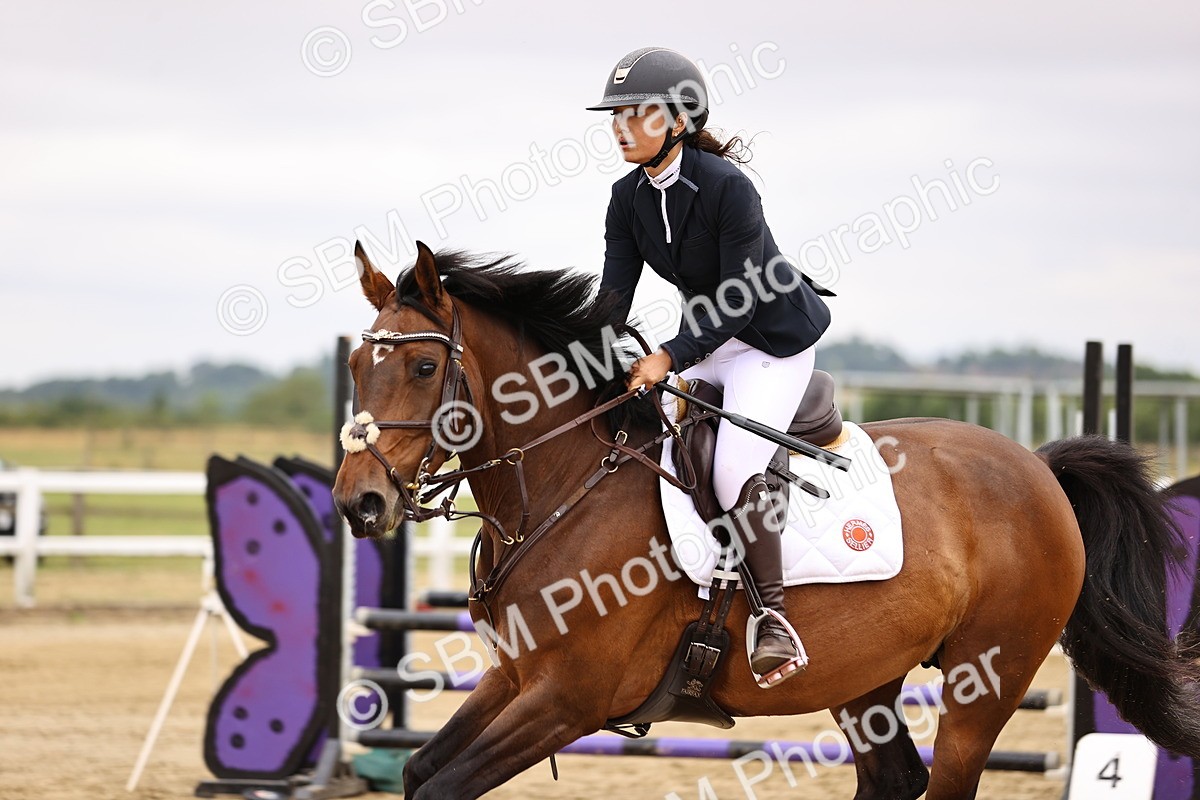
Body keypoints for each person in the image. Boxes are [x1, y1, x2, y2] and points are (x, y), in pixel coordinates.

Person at [587, 47, 833, 684]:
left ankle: (771, 618)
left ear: (676, 119)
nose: (619, 127)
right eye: (615, 115)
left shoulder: (728, 188)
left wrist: (668, 356)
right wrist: (593, 355)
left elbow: (739, 296)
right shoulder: (627, 197)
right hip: (712, 343)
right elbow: (613, 297)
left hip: (769, 344)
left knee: (729, 469)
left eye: (634, 114)